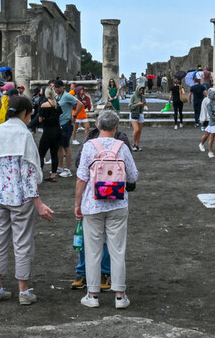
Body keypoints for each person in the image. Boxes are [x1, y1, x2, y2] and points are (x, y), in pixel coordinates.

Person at [0, 96, 55, 305]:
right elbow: (29, 172)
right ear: (25, 113)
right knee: (22, 242)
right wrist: (38, 202)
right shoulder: (24, 135)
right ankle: (24, 292)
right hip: (19, 196)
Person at [74, 108, 138, 309]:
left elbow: (81, 178)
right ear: (116, 127)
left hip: (93, 203)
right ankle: (120, 294)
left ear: (98, 125)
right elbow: (133, 176)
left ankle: (92, 295)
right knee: (117, 249)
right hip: (118, 203)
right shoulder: (122, 146)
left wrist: (77, 203)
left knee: (92, 250)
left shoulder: (89, 146)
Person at [37, 87, 63, 183]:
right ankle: (53, 174)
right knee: (54, 153)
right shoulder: (57, 105)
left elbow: (40, 119)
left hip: (48, 131)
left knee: (41, 153)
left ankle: (39, 172)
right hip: (57, 131)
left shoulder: (44, 105)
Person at [54, 80, 79, 177]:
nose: (56, 89)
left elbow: (79, 103)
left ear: (62, 87)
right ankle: (60, 167)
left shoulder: (67, 96)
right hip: (59, 124)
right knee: (59, 146)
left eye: (58, 87)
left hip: (66, 124)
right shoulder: (57, 97)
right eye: (55, 87)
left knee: (66, 146)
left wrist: (74, 115)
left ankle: (68, 169)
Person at [128, 85, 146, 151]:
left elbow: (144, 102)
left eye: (142, 90)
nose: (141, 91)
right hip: (134, 114)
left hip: (140, 113)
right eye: (140, 90)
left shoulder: (142, 97)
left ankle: (137, 144)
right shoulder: (133, 97)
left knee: (139, 131)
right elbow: (130, 106)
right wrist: (137, 104)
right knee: (136, 129)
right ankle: (133, 144)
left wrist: (144, 104)